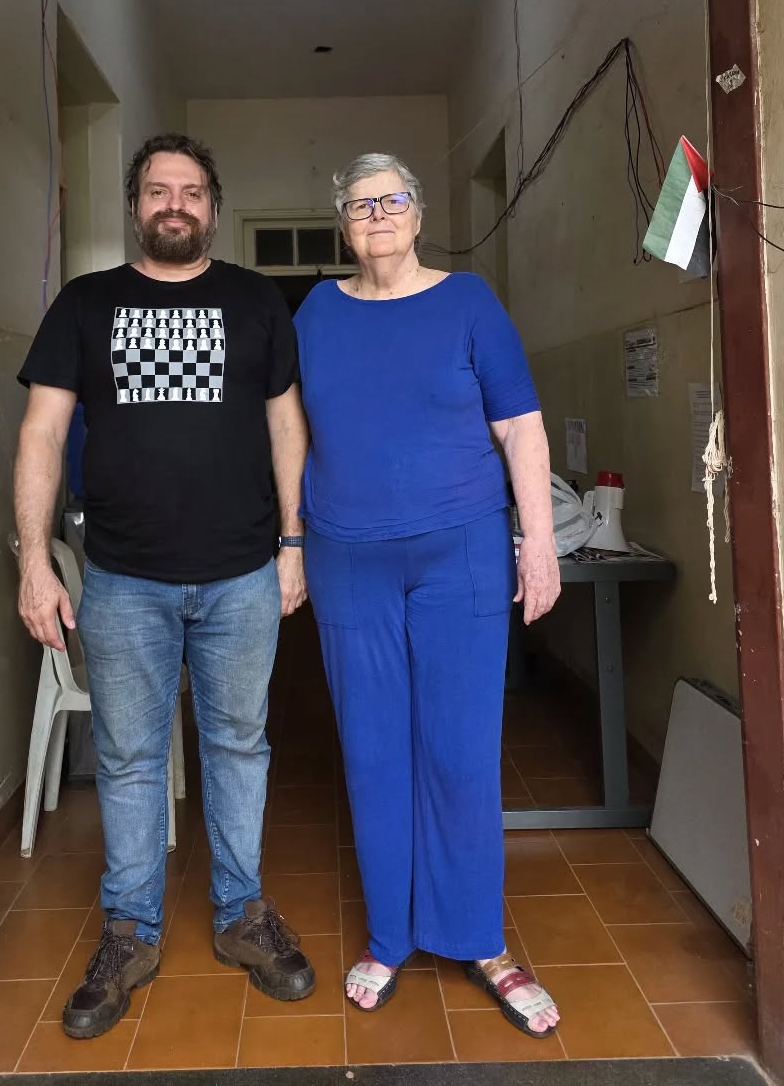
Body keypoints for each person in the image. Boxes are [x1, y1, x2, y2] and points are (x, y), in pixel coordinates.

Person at [14, 133, 315, 1040]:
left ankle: (241, 917)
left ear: (214, 207)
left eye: (189, 191)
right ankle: (130, 933)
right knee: (131, 759)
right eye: (157, 191)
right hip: (121, 579)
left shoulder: (257, 301)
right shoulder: (86, 304)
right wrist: (33, 560)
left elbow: (287, 428)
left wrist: (293, 543)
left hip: (242, 575)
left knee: (237, 747)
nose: (173, 204)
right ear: (135, 205)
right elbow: (40, 434)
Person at [294, 152, 562, 1038]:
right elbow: (289, 430)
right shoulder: (316, 315)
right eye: (360, 202)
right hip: (348, 558)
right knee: (373, 752)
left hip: (464, 556)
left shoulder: (469, 301)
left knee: (459, 750)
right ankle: (392, 934)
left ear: (418, 212)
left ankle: (481, 940)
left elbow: (520, 427)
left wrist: (540, 545)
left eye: (393, 199)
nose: (378, 214)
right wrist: (291, 541)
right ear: (344, 223)